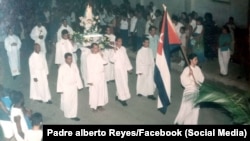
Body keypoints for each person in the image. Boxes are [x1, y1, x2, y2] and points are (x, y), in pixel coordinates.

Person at [174, 53, 204, 125]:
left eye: (197, 59)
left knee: (195, 109)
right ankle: (179, 122)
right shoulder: (187, 69)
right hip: (189, 90)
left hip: (196, 91)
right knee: (186, 108)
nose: (197, 61)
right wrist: (188, 75)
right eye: (195, 59)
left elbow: (202, 78)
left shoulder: (198, 69)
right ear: (191, 60)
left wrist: (198, 83)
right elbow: (183, 80)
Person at [57, 53, 83, 121]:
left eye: (71, 58)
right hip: (66, 86)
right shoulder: (62, 67)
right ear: (65, 59)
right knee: (67, 101)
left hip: (73, 86)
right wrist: (60, 89)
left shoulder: (74, 65)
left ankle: (73, 114)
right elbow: (60, 78)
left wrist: (79, 85)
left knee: (74, 101)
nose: (70, 60)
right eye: (68, 58)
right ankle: (69, 114)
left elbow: (77, 75)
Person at [110, 37, 132, 106]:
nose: (120, 43)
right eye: (119, 41)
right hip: (118, 69)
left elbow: (126, 58)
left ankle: (118, 95)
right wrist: (115, 52)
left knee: (124, 82)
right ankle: (122, 99)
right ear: (116, 42)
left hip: (124, 68)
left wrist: (129, 68)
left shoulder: (123, 48)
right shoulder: (113, 50)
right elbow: (112, 60)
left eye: (121, 41)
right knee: (120, 83)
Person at [87, 43, 108, 112]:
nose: (97, 49)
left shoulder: (99, 55)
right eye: (95, 48)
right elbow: (89, 69)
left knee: (101, 91)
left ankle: (100, 105)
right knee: (94, 92)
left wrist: (102, 55)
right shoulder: (89, 57)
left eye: (98, 48)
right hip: (94, 76)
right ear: (92, 49)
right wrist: (90, 80)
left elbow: (105, 62)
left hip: (101, 75)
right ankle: (94, 106)